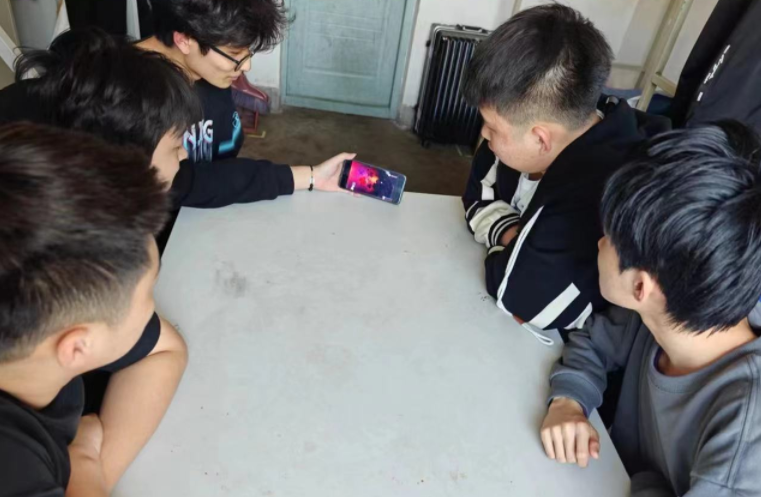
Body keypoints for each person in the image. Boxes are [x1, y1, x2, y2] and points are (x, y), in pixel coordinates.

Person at [540, 122, 761, 496]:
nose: (599, 243)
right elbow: (593, 342)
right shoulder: (671, 311)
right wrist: (568, 401)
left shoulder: (746, 427)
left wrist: (646, 483)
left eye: (609, 237)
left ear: (641, 287)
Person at [461, 4, 670, 344]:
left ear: (541, 139)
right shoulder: (526, 128)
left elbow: (522, 297)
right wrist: (516, 238)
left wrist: (511, 249)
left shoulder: (609, 187)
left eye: (492, 128)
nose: (484, 135)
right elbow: (476, 197)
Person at [0, 123, 187, 496]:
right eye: (147, 293)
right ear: (77, 348)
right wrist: (84, 463)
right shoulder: (14, 470)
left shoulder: (35, 352)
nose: (152, 307)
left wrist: (89, 474)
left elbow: (165, 350)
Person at [137, 0, 352, 204]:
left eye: (248, 52)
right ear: (184, 40)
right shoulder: (130, 97)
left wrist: (312, 176)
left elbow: (221, 175)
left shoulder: (211, 75)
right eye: (235, 53)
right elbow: (188, 185)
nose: (246, 66)